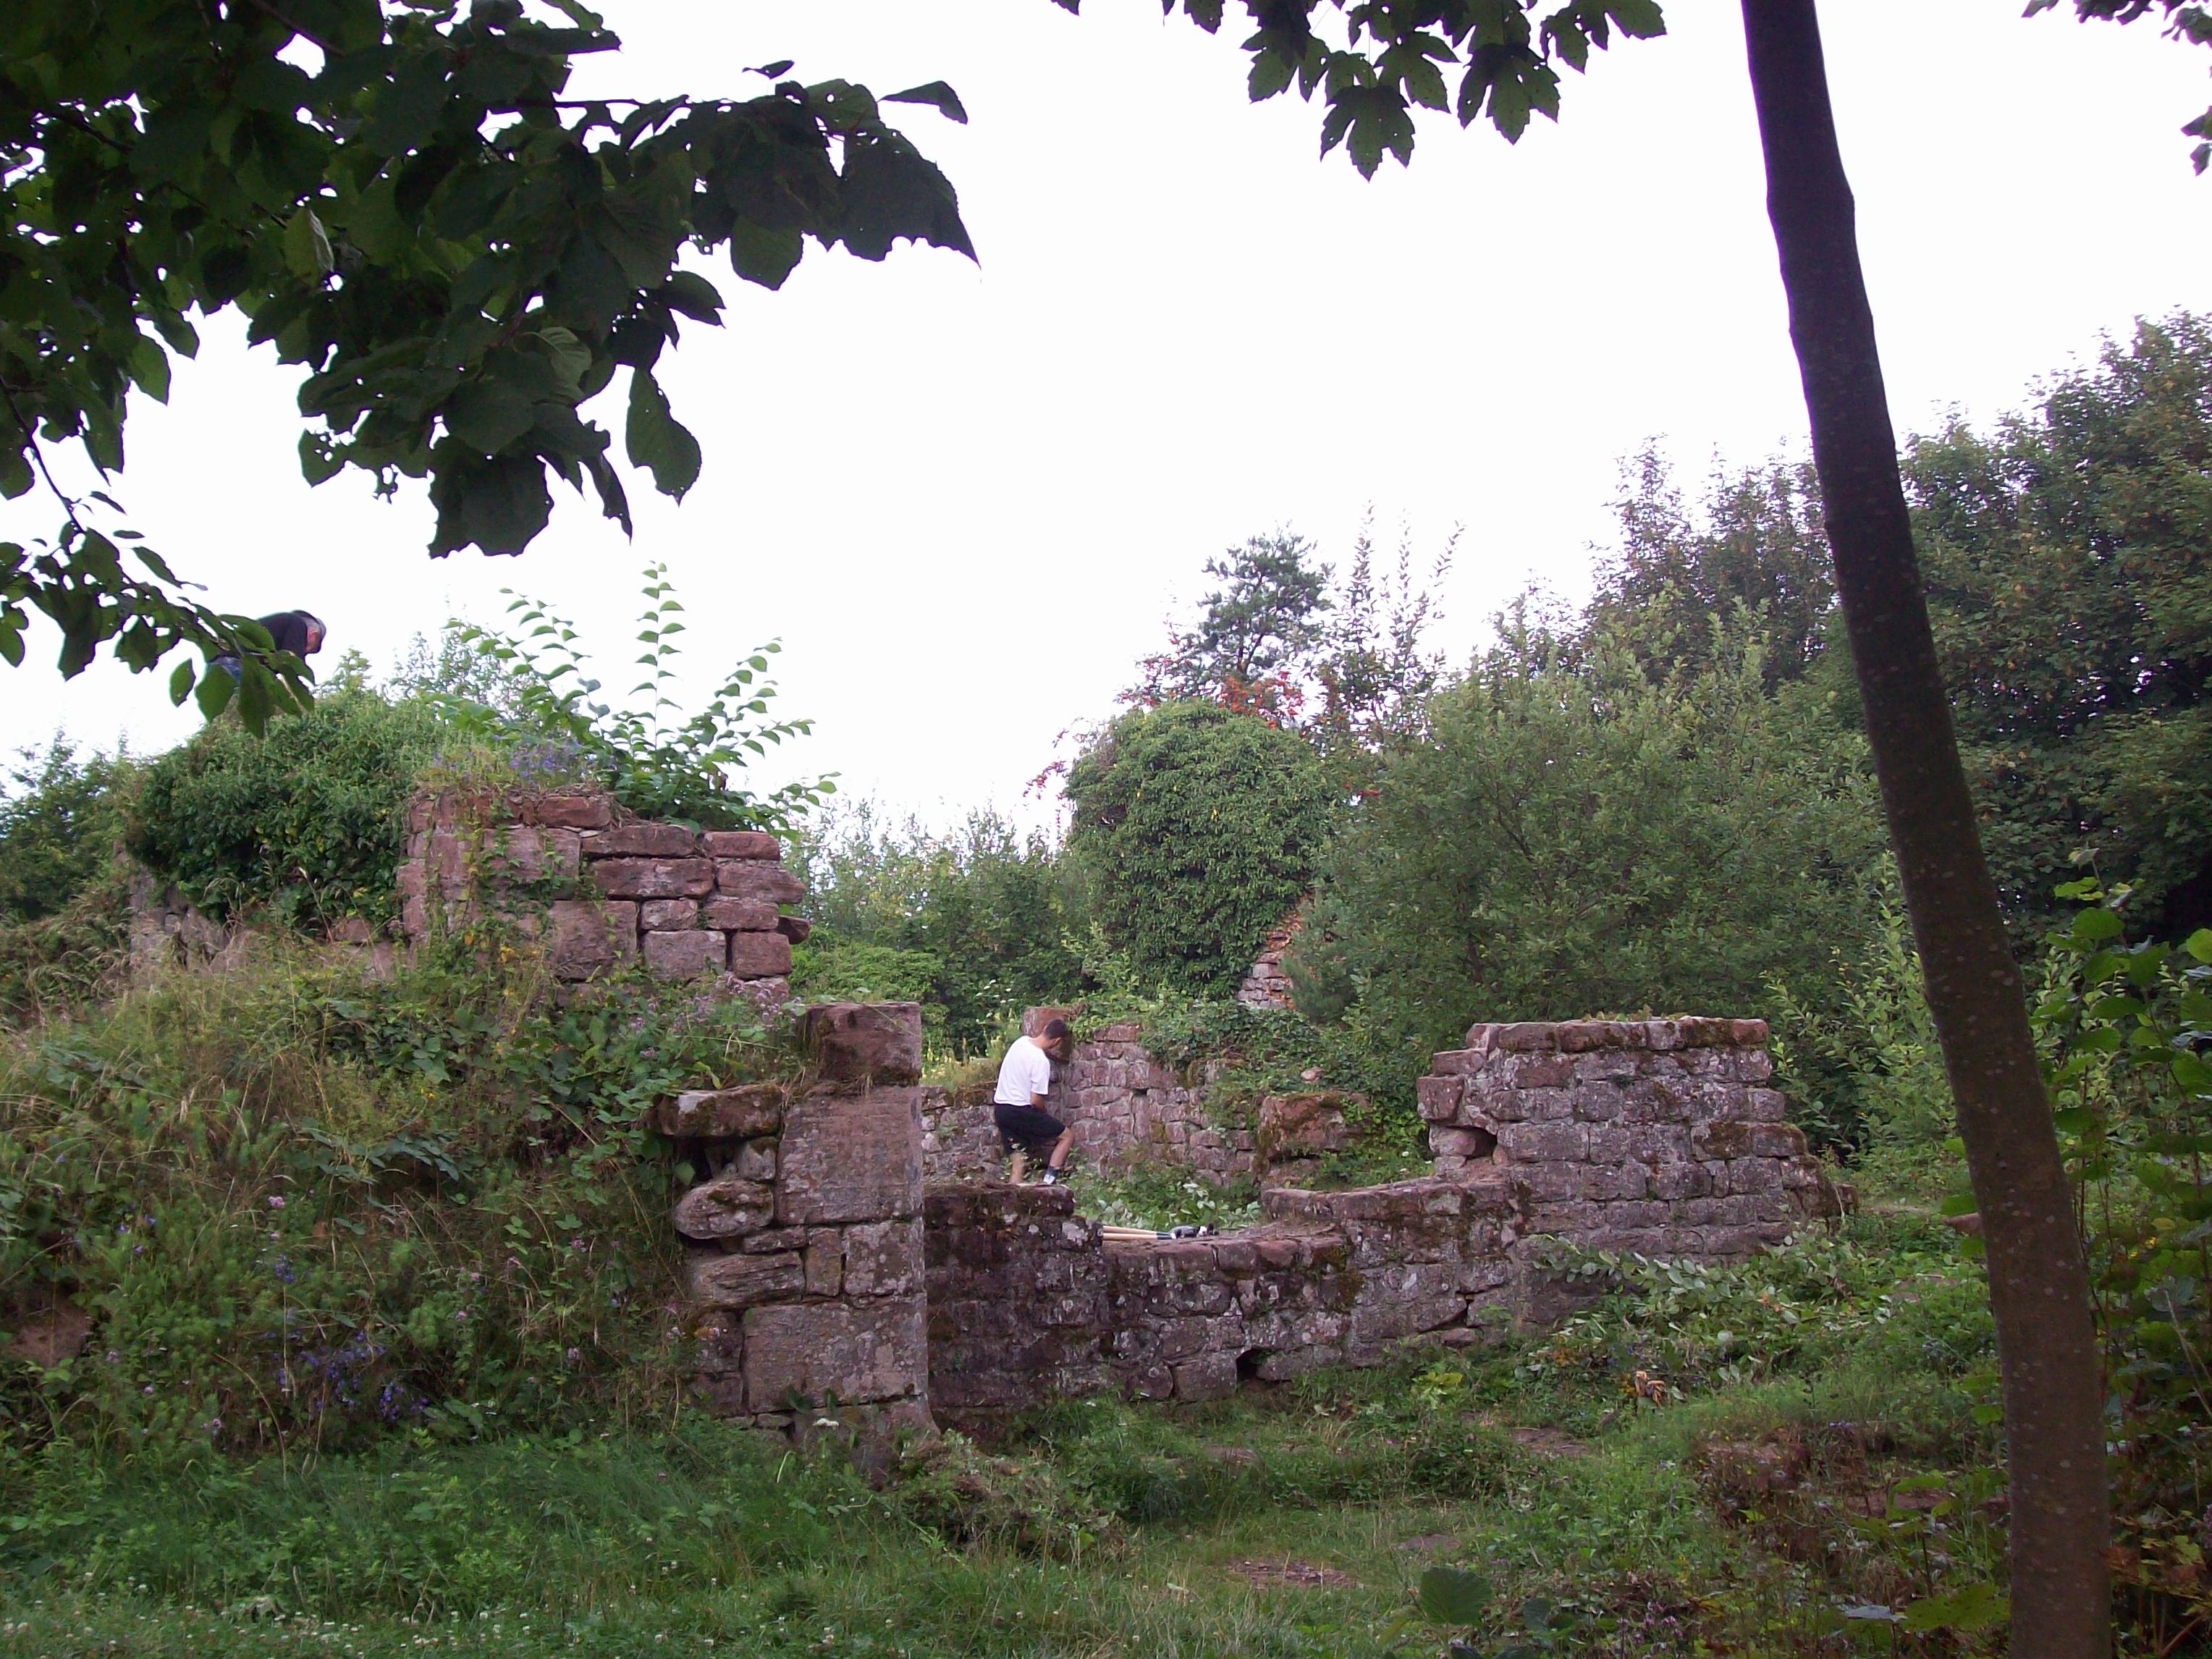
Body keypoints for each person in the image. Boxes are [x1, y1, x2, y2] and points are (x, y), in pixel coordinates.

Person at [994, 1018, 1073, 1185]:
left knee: (1018, 1164)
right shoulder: (1041, 1061)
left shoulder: (1020, 1043)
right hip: (1020, 1111)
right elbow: (1036, 1100)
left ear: (1045, 1028)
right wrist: (1044, 1114)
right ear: (1057, 1041)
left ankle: (1011, 1197)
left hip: (1001, 1110)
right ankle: (1049, 1181)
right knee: (1067, 1136)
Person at [211, 609, 326, 680]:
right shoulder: (298, 624)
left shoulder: (276, 626)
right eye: (310, 648)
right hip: (237, 668)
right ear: (313, 634)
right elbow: (291, 664)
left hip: (218, 666)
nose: (304, 651)